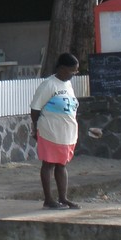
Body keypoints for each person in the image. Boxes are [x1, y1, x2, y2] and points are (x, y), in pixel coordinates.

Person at [30, 53, 81, 209]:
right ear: (61, 68)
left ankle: (63, 198)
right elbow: (35, 108)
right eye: (71, 71)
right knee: (49, 164)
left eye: (75, 72)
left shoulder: (68, 85)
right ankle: (48, 199)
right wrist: (35, 127)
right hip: (50, 130)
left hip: (67, 132)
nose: (73, 74)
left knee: (61, 165)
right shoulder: (48, 84)